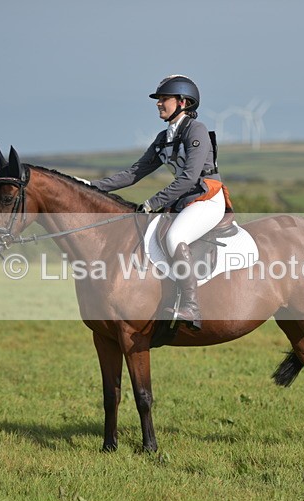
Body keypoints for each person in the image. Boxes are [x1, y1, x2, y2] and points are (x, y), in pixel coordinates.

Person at [92, 75, 231, 331]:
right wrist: (91, 187)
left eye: (163, 99)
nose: (158, 104)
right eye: (158, 100)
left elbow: (190, 177)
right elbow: (134, 173)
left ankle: (191, 306)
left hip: (207, 198)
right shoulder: (163, 137)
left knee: (174, 237)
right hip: (184, 201)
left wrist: (152, 202)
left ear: (183, 102)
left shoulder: (195, 131)